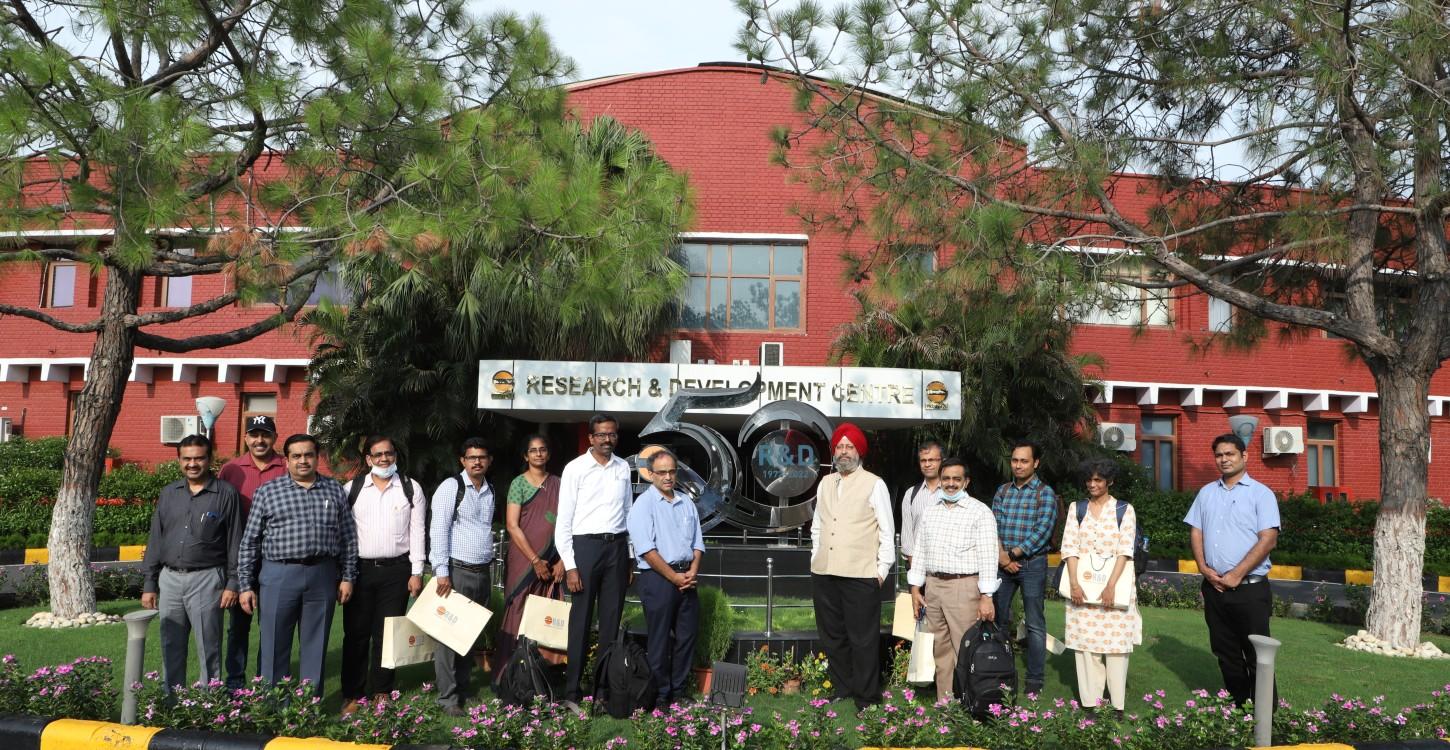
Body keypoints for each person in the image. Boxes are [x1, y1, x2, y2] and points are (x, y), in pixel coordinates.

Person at [237, 433, 359, 696]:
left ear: (317, 458)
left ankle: (307, 710)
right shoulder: (268, 491)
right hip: (278, 575)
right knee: (273, 644)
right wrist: (245, 585)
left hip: (322, 575)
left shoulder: (334, 489)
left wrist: (348, 576)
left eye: (308, 455)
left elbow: (348, 537)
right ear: (287, 460)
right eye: (296, 456)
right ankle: (272, 707)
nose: (303, 461)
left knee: (315, 646)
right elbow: (250, 541)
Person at [140, 434, 243, 692]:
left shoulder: (226, 494)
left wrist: (233, 582)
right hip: (170, 580)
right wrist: (150, 582)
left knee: (208, 647)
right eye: (187, 459)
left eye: (199, 458)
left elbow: (235, 541)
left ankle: (210, 706)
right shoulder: (169, 494)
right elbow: (156, 539)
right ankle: (172, 703)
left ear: (209, 460)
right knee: (170, 645)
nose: (193, 464)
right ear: (179, 461)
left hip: (207, 580)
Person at [1184, 433, 1280, 707]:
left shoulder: (1261, 494)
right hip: (1214, 589)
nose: (1224, 459)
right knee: (1226, 654)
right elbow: (1196, 531)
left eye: (1230, 454)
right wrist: (1203, 567)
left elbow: (1268, 539)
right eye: (1219, 455)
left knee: (1257, 655)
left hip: (1250, 589)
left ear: (1244, 456)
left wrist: (1236, 574)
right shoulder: (1206, 493)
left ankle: (1266, 718)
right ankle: (1239, 710)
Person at [339, 435, 426, 717]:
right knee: (356, 634)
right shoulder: (351, 489)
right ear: (368, 459)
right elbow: (342, 534)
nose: (384, 459)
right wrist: (345, 574)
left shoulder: (411, 489)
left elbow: (418, 532)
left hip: (397, 571)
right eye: (378, 455)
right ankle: (352, 694)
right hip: (360, 571)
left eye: (389, 453)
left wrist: (416, 572)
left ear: (396, 456)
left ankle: (382, 692)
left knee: (388, 633)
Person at [810, 422, 894, 712]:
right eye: (839, 447)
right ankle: (843, 686)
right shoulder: (825, 483)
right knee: (832, 636)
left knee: (863, 640)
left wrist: (881, 570)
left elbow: (886, 530)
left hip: (861, 575)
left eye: (849, 446)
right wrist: (814, 557)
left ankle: (867, 697)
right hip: (824, 572)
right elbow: (818, 525)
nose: (844, 452)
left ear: (859, 451)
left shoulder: (874, 483)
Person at [555, 414, 633, 711]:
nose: (607, 439)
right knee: (581, 622)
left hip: (616, 547)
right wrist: (571, 565)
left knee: (610, 624)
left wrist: (630, 558)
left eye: (612, 434)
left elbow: (628, 512)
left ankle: (602, 691)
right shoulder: (575, 469)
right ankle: (572, 692)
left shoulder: (623, 467)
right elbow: (563, 521)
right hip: (584, 548)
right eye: (601, 435)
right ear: (591, 438)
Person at [906, 457, 998, 699]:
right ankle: (946, 706)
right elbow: (921, 550)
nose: (950, 483)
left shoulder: (980, 512)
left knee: (965, 650)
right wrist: (915, 588)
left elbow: (989, 556)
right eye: (946, 478)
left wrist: (986, 596)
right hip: (934, 586)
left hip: (964, 587)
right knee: (940, 650)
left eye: (957, 479)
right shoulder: (930, 511)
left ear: (966, 481)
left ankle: (971, 704)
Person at [1061, 458, 1141, 714]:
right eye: (1089, 479)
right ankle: (1090, 704)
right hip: (1082, 587)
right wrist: (1073, 584)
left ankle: (1117, 706)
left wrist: (1110, 586)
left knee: (1116, 648)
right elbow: (1069, 547)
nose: (1092, 484)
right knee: (1086, 647)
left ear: (1110, 481)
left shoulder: (1124, 510)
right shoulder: (1077, 508)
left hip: (1115, 587)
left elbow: (1125, 550)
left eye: (1098, 480)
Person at [627, 448, 704, 707]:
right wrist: (674, 577)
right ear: (651, 474)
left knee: (686, 637)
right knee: (659, 639)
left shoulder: (686, 502)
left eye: (672, 471)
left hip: (686, 578)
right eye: (662, 472)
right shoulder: (643, 505)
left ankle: (679, 692)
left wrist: (692, 570)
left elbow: (697, 543)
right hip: (659, 579)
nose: (668, 477)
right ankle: (660, 695)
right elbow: (647, 550)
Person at [217, 414, 287, 690]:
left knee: (271, 626)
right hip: (240, 559)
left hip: (275, 558)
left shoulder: (286, 467)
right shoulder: (231, 470)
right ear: (246, 438)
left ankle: (264, 682)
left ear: (274, 438)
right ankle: (235, 683)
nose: (260, 440)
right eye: (254, 434)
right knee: (238, 626)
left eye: (265, 434)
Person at [429, 437, 497, 717]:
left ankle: (464, 689)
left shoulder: (490, 489)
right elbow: (438, 529)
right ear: (462, 460)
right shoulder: (451, 487)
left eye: (482, 457)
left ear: (488, 461)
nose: (477, 462)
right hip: (456, 571)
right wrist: (441, 572)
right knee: (447, 637)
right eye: (472, 457)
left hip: (481, 571)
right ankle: (447, 698)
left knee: (468, 635)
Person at [991, 439, 1058, 695]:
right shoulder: (1003, 491)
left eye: (1024, 461)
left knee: (1034, 623)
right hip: (1002, 564)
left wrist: (1012, 554)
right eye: (1015, 460)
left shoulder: (1045, 493)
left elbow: (1042, 532)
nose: (1018, 466)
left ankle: (1035, 680)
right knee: (998, 618)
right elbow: (992, 526)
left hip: (1032, 564)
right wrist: (1002, 557)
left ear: (1036, 463)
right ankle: (999, 672)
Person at [494, 435, 566, 670]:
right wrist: (535, 560)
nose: (538, 454)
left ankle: (544, 672)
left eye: (542, 450)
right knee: (519, 607)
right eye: (533, 451)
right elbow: (512, 525)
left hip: (554, 557)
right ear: (526, 456)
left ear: (548, 454)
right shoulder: (519, 483)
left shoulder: (559, 484)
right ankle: (509, 672)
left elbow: (568, 523)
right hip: (524, 559)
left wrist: (563, 560)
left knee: (546, 611)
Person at [898, 441, 944, 568]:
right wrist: (915, 568)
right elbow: (907, 533)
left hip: (946, 566)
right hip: (917, 564)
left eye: (932, 460)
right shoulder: (911, 494)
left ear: (942, 461)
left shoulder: (952, 492)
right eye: (923, 461)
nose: (927, 464)